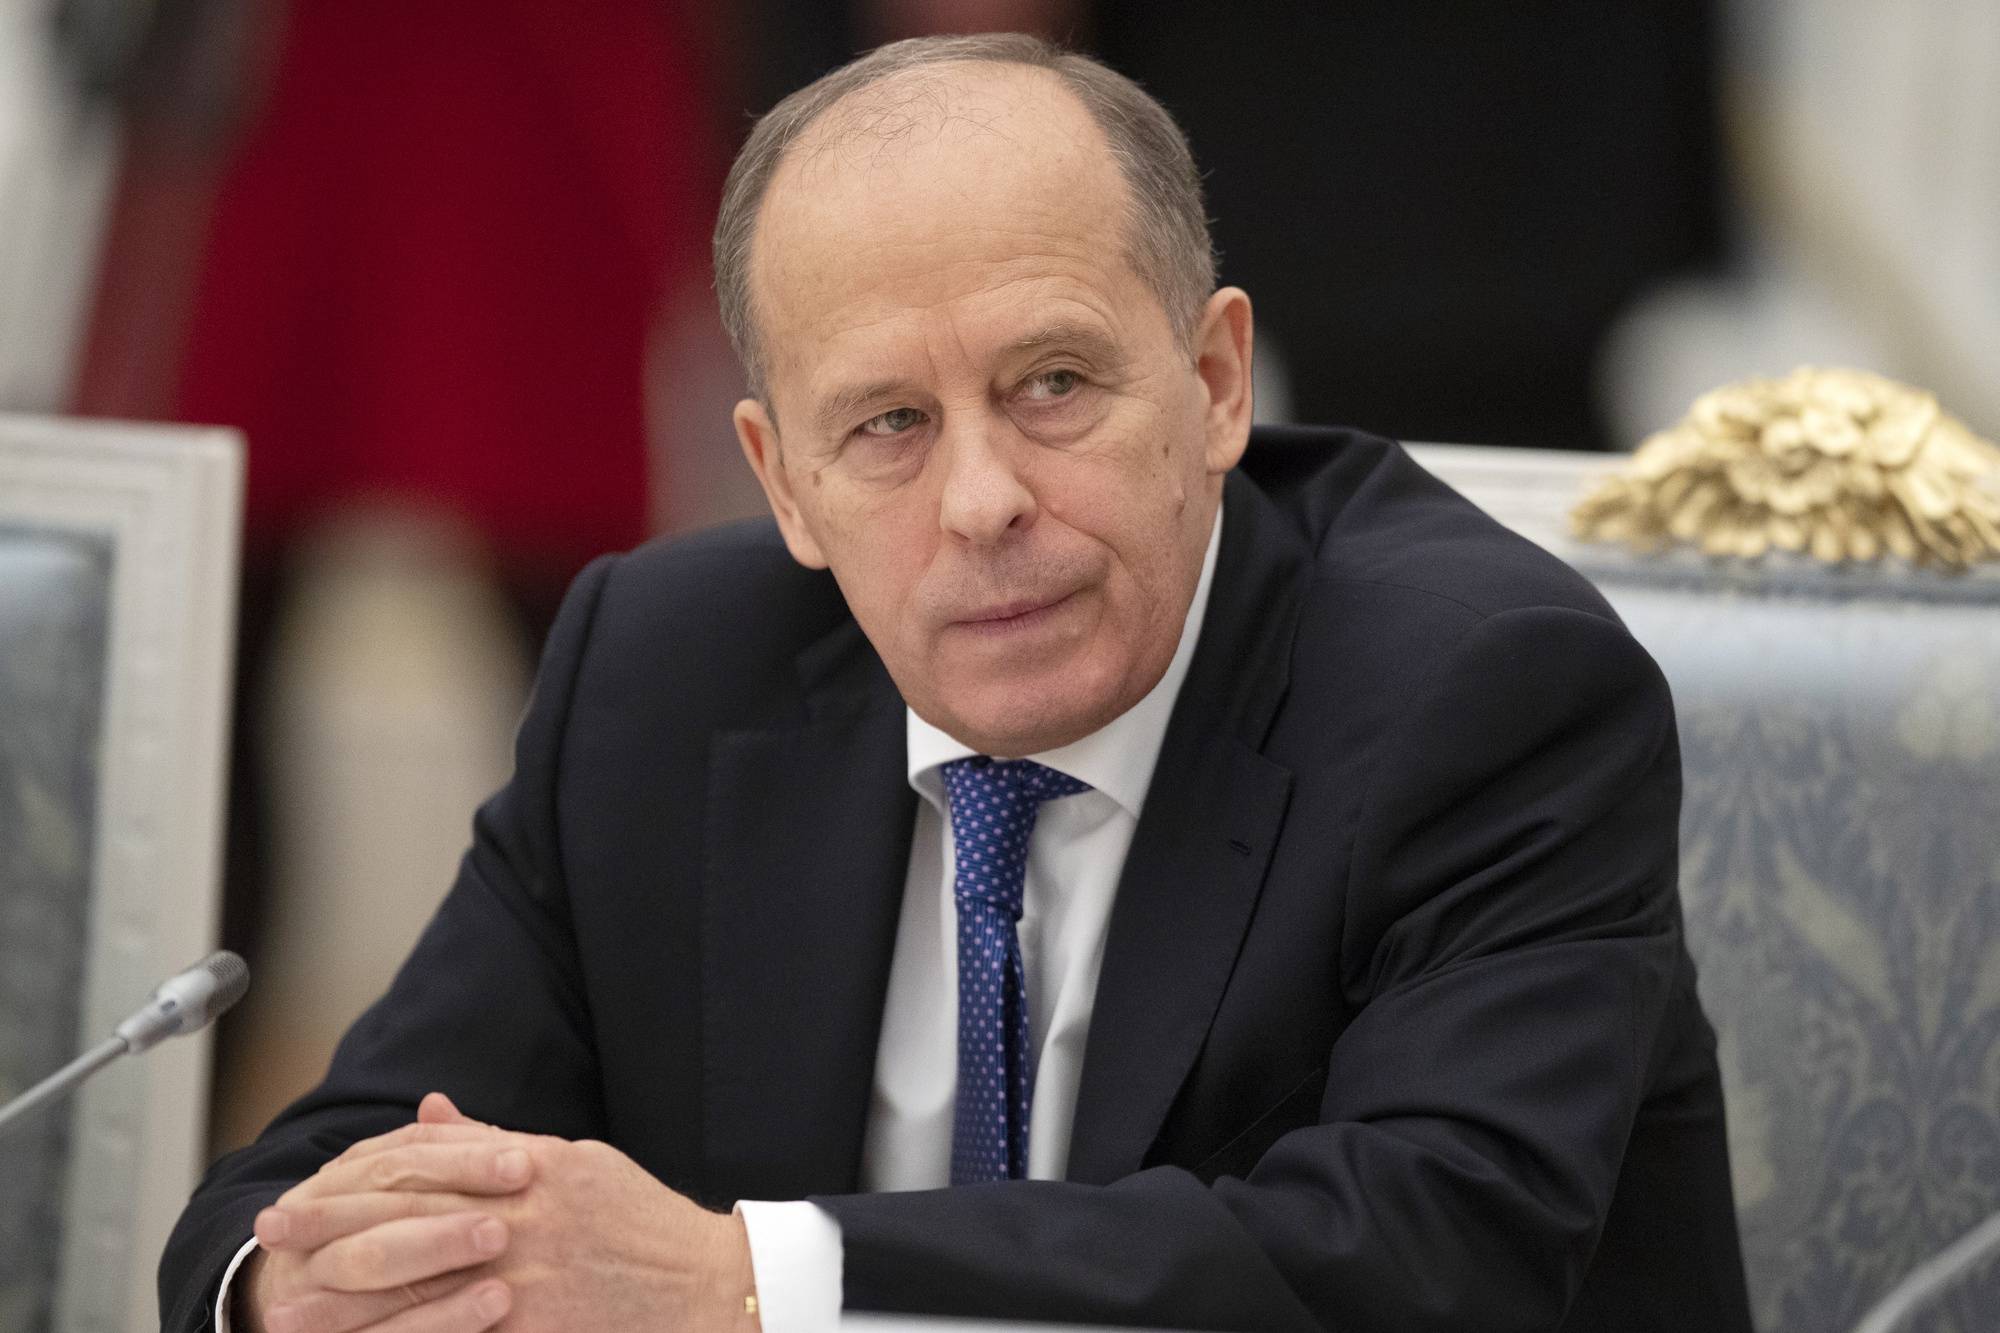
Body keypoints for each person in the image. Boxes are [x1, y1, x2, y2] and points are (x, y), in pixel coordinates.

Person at [161, 33, 1753, 1333]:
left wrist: (747, 1281)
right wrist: (301, 1280)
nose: (983, 500)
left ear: (1212, 383)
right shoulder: (657, 676)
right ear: (782, 484)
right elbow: (305, 1177)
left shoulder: (1485, 696)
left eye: (1052, 384)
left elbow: (1421, 1262)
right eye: (889, 427)